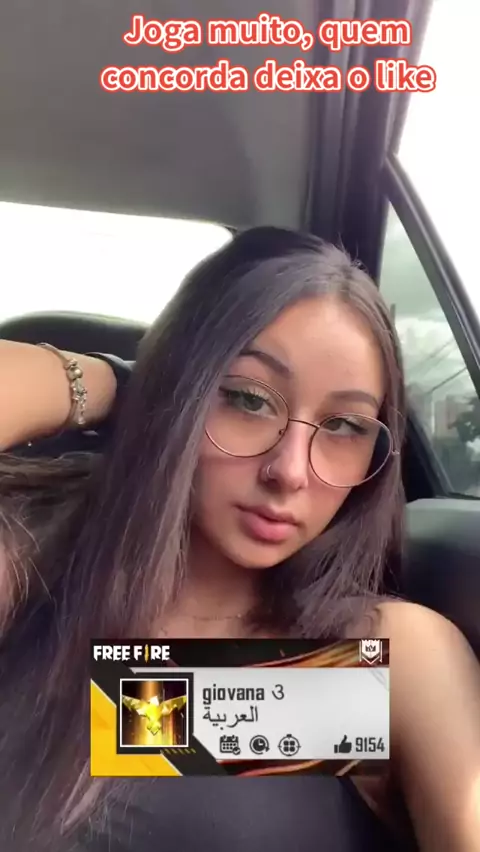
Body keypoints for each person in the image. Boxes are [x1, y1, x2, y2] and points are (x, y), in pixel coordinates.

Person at [0, 227, 478, 852]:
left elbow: (131, 716)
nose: (290, 470)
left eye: (343, 425)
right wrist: (123, 382)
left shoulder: (380, 659)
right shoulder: (32, 572)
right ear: (181, 391)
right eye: (248, 400)